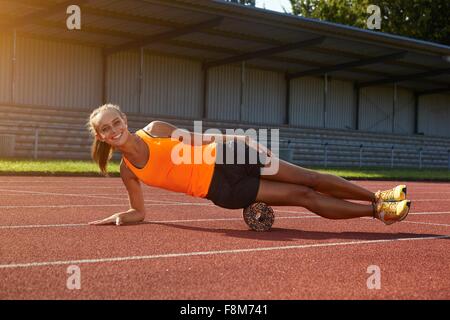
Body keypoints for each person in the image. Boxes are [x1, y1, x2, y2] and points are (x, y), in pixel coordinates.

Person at [87, 103, 411, 226]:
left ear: (124, 120)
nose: (114, 130)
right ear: (101, 137)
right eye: (106, 129)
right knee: (303, 195)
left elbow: (200, 139)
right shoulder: (128, 171)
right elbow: (139, 212)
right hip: (223, 188)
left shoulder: (155, 129)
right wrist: (118, 216)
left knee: (309, 178)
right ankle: (378, 213)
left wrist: (242, 142)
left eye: (116, 122)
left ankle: (377, 197)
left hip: (231, 156)